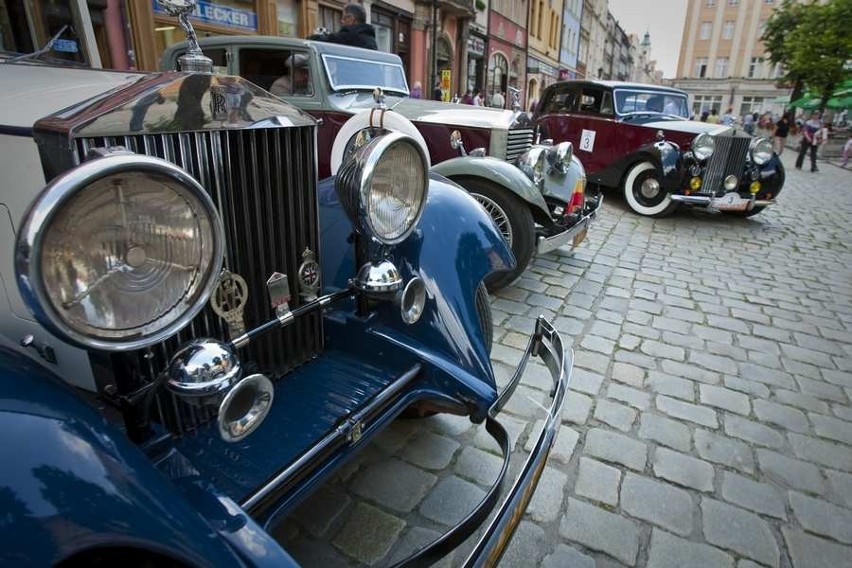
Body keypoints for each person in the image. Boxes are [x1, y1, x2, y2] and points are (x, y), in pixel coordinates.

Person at [308, 4, 377, 50]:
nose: (341, 21)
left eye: (343, 18)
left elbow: (318, 42)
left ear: (351, 19)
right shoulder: (371, 40)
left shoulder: (348, 36)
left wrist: (314, 36)